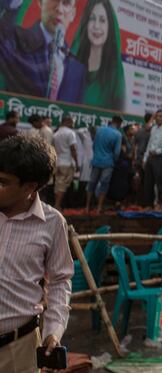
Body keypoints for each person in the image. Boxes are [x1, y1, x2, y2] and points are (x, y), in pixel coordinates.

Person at [0, 134, 73, 371]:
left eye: (3, 182)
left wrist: (53, 331)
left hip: (19, 348)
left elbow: (60, 280)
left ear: (30, 187)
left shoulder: (52, 223)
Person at [0, 0, 85, 102]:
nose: (59, 8)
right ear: (40, 0)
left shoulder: (77, 68)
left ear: (72, 13)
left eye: (66, 2)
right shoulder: (18, 39)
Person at [72, 0, 125, 110]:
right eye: (92, 19)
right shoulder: (73, 65)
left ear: (109, 26)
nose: (96, 26)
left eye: (102, 20)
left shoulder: (114, 72)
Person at [85, 116, 122, 214]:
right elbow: (117, 152)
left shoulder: (99, 130)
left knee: (91, 183)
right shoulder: (118, 134)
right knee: (104, 185)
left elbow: (94, 145)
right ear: (119, 124)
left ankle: (87, 207)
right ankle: (99, 208)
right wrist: (114, 160)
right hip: (108, 163)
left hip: (96, 161)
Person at [53, 115, 79, 210]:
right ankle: (57, 205)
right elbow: (73, 149)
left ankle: (57, 205)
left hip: (58, 162)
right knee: (63, 186)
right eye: (72, 122)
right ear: (67, 121)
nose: (73, 124)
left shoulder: (56, 134)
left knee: (58, 184)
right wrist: (77, 162)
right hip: (67, 163)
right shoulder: (70, 133)